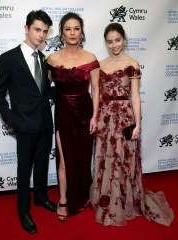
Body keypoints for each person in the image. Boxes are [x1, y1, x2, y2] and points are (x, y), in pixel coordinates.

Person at [90, 23, 174, 226]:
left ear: (124, 39)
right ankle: (106, 198)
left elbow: (135, 97)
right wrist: (95, 116)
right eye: (110, 41)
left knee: (123, 158)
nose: (114, 45)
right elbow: (96, 93)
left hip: (125, 117)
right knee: (105, 156)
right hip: (105, 116)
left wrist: (137, 125)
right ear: (106, 42)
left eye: (117, 40)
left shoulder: (133, 63)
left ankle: (123, 201)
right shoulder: (99, 64)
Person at [0, 10, 57, 234]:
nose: (41, 35)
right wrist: (11, 120)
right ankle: (23, 211)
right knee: (23, 170)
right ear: (27, 28)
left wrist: (65, 91)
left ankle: (40, 197)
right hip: (24, 125)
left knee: (41, 165)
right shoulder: (9, 58)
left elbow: (44, 92)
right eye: (37, 29)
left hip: (45, 123)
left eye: (45, 32)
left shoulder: (44, 59)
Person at [47, 12, 100, 222]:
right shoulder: (52, 59)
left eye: (76, 28)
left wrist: (95, 117)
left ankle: (83, 196)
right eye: (68, 28)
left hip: (85, 112)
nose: (72, 32)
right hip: (62, 112)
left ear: (81, 32)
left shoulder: (91, 58)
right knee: (64, 161)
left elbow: (95, 90)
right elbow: (48, 85)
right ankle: (63, 200)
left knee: (83, 157)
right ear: (61, 32)